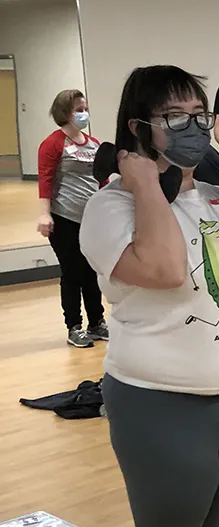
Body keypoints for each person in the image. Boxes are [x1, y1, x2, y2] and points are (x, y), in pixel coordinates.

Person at [78, 65, 219, 527]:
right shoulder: (112, 208)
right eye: (174, 116)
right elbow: (165, 270)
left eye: (199, 114)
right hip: (160, 403)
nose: (193, 127)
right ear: (138, 129)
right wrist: (147, 185)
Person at [37, 89, 108, 348]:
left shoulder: (94, 143)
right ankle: (74, 326)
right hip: (64, 217)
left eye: (85, 108)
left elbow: (101, 180)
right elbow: (45, 179)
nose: (83, 113)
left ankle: (97, 322)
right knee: (72, 272)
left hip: (91, 219)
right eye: (78, 109)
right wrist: (45, 214)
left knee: (91, 271)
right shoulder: (53, 144)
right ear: (65, 112)